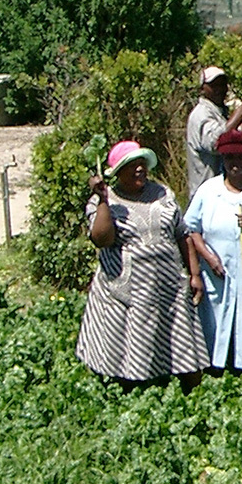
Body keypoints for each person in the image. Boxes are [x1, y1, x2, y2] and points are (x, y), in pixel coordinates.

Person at [76, 140, 208, 388]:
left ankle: (189, 392)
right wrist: (102, 199)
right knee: (130, 344)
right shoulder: (105, 201)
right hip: (127, 288)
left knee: (180, 343)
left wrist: (194, 273)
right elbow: (102, 239)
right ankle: (133, 390)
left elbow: (182, 234)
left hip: (168, 284)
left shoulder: (163, 194)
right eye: (132, 165)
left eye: (142, 164)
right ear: (117, 173)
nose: (139, 170)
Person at [182, 129, 242, 376]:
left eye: (241, 157)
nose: (235, 164)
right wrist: (208, 258)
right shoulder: (209, 190)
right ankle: (215, 371)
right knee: (216, 322)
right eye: (230, 158)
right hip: (217, 273)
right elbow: (191, 229)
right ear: (222, 159)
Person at [186, 66, 242, 193]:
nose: (219, 89)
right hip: (207, 193)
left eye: (222, 84)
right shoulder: (201, 114)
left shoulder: (219, 111)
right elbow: (217, 142)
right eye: (214, 86)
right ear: (202, 89)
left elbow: (234, 139)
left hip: (224, 190)